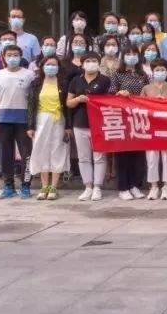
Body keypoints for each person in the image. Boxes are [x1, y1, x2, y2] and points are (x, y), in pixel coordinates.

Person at [0, 44, 36, 199]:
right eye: (9, 55)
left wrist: (32, 122)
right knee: (5, 154)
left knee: (26, 154)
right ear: (3, 56)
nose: (12, 58)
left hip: (23, 120)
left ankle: (26, 186)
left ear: (20, 56)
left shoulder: (29, 75)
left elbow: (33, 99)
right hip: (3, 119)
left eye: (16, 55)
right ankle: (8, 186)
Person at [67, 52, 112, 201]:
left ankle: (98, 187)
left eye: (94, 60)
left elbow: (111, 100)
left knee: (99, 156)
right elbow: (68, 102)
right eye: (87, 61)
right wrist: (78, 99)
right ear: (82, 63)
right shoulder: (76, 80)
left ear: (98, 63)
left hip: (98, 124)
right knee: (83, 157)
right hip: (79, 123)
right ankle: (88, 187)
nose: (91, 63)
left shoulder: (105, 80)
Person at [27, 55, 70, 201]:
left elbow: (67, 107)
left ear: (58, 67)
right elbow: (31, 105)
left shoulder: (63, 83)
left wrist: (68, 126)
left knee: (58, 150)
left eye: (54, 64)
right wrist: (30, 126)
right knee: (41, 150)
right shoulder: (36, 83)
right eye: (48, 64)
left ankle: (54, 187)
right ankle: (44, 186)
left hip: (59, 119)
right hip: (41, 120)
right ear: (42, 66)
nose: (51, 67)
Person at [109, 46, 149, 200]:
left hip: (138, 117)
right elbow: (111, 93)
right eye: (128, 54)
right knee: (122, 154)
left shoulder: (142, 75)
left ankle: (135, 185)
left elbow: (147, 93)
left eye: (134, 54)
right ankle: (123, 187)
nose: (131, 56)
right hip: (122, 117)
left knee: (137, 154)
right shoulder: (117, 74)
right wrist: (119, 93)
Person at [142, 59, 167, 200]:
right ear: (152, 71)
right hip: (151, 127)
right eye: (157, 70)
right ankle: (153, 186)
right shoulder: (146, 88)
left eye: (162, 70)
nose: (160, 72)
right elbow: (140, 106)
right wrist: (153, 102)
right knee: (151, 157)